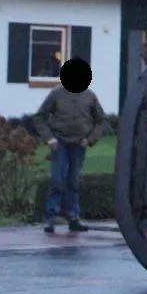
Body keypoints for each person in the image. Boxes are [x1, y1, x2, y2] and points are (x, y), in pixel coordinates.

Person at [34, 78, 108, 234]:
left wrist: (90, 139)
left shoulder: (90, 96)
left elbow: (100, 120)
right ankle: (50, 218)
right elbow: (39, 117)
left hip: (79, 145)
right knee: (57, 180)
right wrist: (49, 138)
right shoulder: (56, 94)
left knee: (73, 181)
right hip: (59, 143)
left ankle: (73, 218)